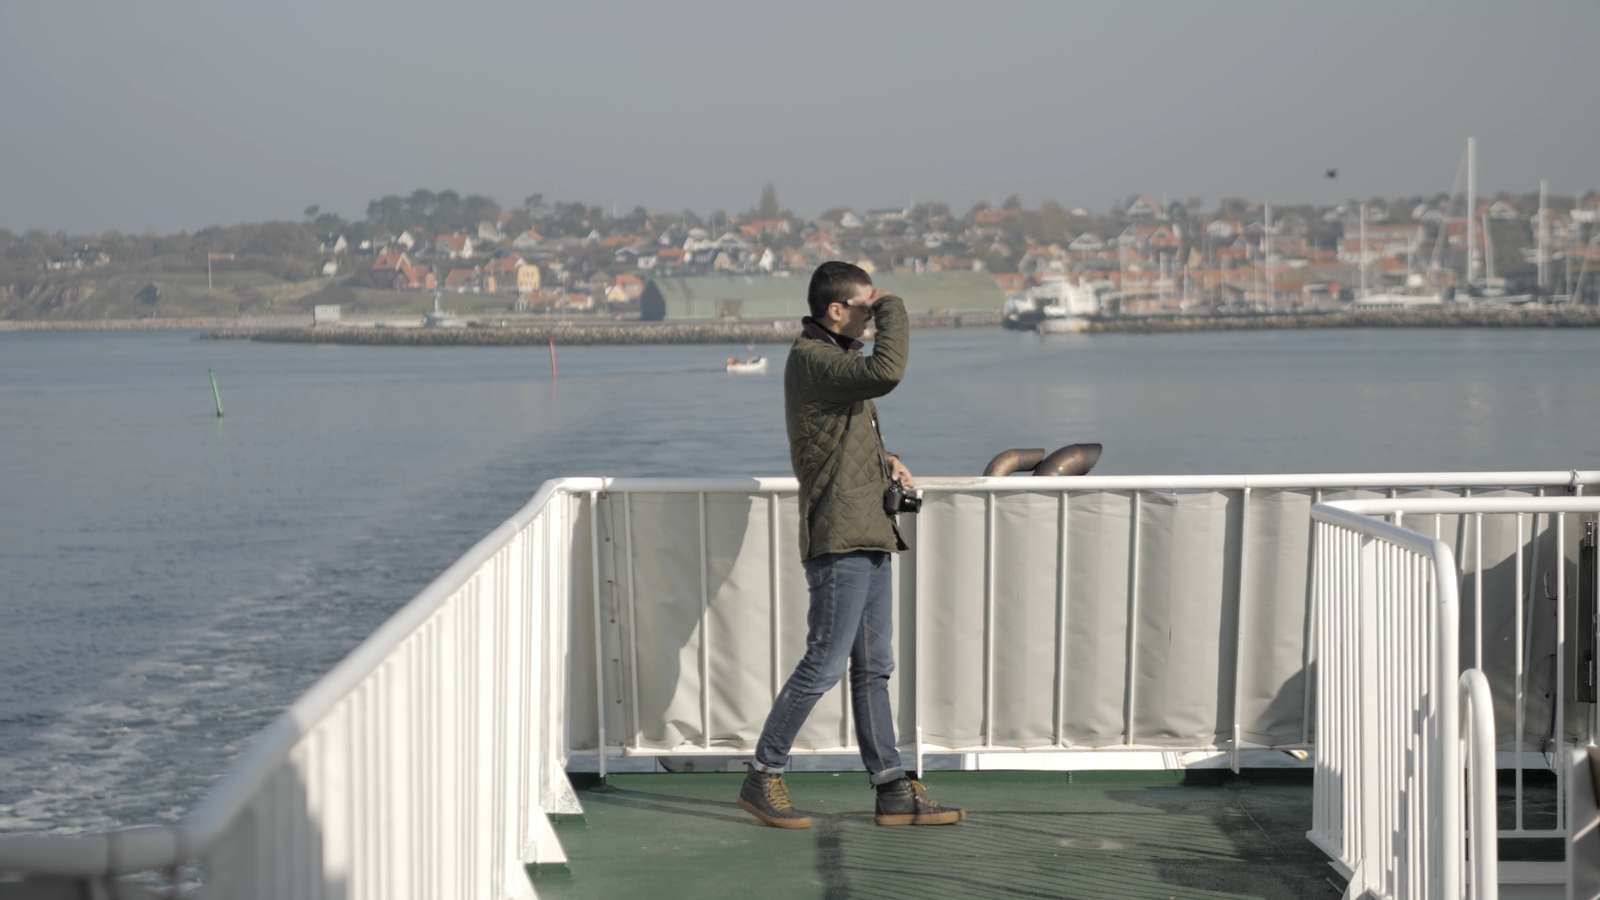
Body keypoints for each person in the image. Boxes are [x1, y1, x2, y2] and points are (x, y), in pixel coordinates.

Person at [737, 261, 963, 829]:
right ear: (836, 311)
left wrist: (883, 459)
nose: (871, 314)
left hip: (867, 530)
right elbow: (886, 371)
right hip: (838, 534)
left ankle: (891, 789)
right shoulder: (812, 358)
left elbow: (840, 433)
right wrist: (893, 306)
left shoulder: (833, 363)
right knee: (825, 662)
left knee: (874, 668)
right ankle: (762, 775)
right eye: (864, 307)